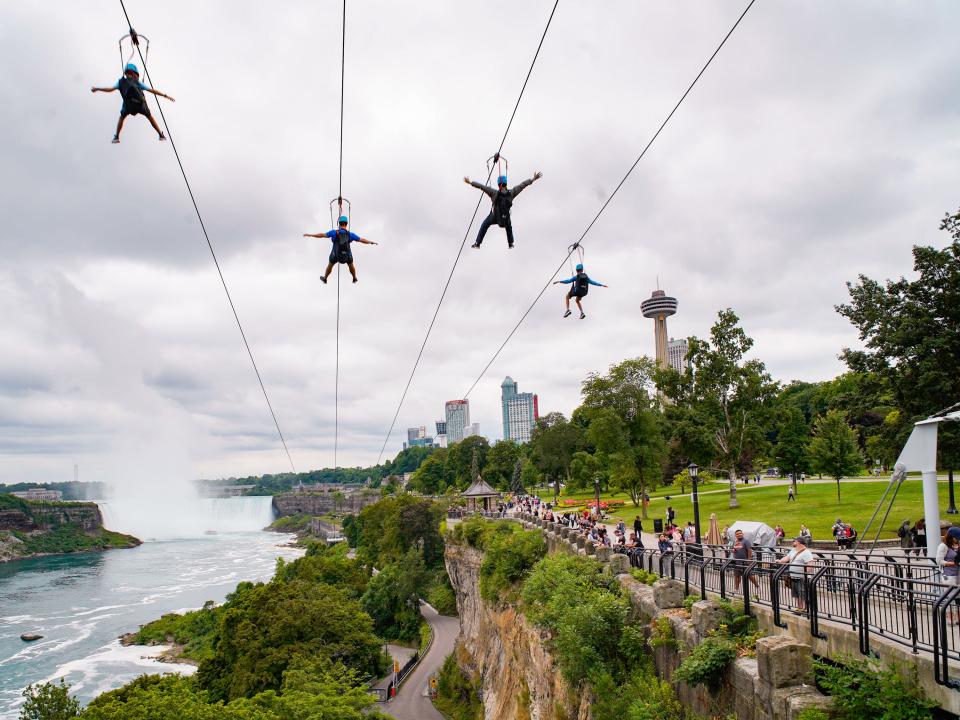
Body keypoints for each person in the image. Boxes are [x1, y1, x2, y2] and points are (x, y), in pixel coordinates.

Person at [91, 63, 174, 143]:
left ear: (126, 73)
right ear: (135, 73)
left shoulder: (120, 82)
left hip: (128, 107)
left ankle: (116, 137)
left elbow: (109, 89)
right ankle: (160, 134)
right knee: (150, 117)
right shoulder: (137, 82)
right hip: (141, 105)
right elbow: (152, 90)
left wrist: (98, 89)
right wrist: (165, 95)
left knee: (121, 117)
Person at [464, 171, 542, 248]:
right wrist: (533, 179)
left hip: (494, 217)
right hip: (505, 220)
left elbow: (482, 186)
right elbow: (522, 185)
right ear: (506, 184)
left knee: (484, 225)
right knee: (509, 227)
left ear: (499, 185)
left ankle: (477, 243)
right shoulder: (511, 193)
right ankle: (511, 243)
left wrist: (470, 182)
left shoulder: (493, 192)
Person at [304, 216, 378, 284]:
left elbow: (321, 235)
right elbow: (362, 240)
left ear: (339, 224)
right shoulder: (350, 234)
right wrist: (371, 242)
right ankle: (354, 277)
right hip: (347, 255)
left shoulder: (334, 232)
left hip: (335, 255)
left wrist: (310, 235)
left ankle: (325, 278)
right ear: (346, 224)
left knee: (330, 265)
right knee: (351, 265)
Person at [777, 536, 814, 614]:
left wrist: (806, 574)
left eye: (794, 541)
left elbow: (810, 563)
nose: (793, 542)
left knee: (802, 593)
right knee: (796, 593)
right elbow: (787, 558)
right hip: (793, 576)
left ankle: (804, 609)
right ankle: (799, 608)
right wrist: (780, 561)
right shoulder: (793, 550)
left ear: (799, 542)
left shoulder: (806, 552)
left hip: (802, 577)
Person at [937, 533, 960, 624]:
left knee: (958, 597)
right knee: (950, 597)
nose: (957, 539)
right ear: (951, 536)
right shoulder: (943, 546)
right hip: (948, 575)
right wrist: (953, 563)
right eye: (956, 537)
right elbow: (939, 560)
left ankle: (958, 618)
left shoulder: (957, 545)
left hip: (957, 574)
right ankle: (950, 619)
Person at [730, 528, 760, 597]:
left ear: (742, 534)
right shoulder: (735, 541)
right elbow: (734, 551)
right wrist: (734, 549)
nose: (739, 535)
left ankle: (757, 586)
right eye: (737, 534)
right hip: (737, 561)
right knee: (736, 576)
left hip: (745, 561)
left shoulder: (746, 541)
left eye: (740, 533)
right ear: (735, 535)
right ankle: (736, 589)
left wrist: (749, 560)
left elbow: (749, 550)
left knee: (749, 575)